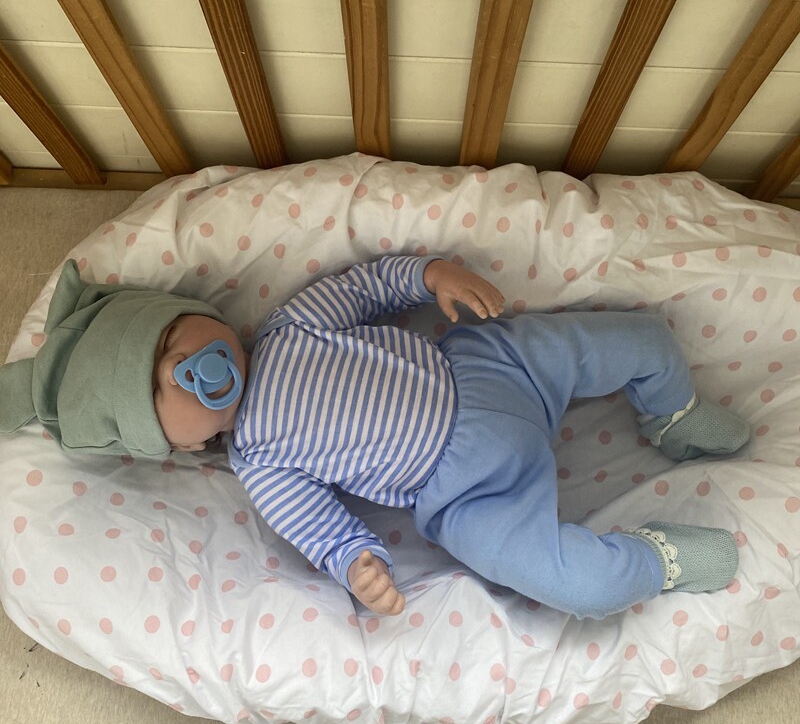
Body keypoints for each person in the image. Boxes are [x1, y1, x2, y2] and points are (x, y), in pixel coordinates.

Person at [0, 255, 749, 619]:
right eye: (160, 389)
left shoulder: (292, 325)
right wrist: (360, 566)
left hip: (490, 370)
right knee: (575, 589)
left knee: (642, 337)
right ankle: (657, 560)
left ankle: (673, 416)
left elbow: (366, 287)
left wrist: (430, 274)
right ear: (183, 448)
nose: (184, 369)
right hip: (467, 493)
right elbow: (324, 531)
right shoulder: (262, 464)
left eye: (171, 339)